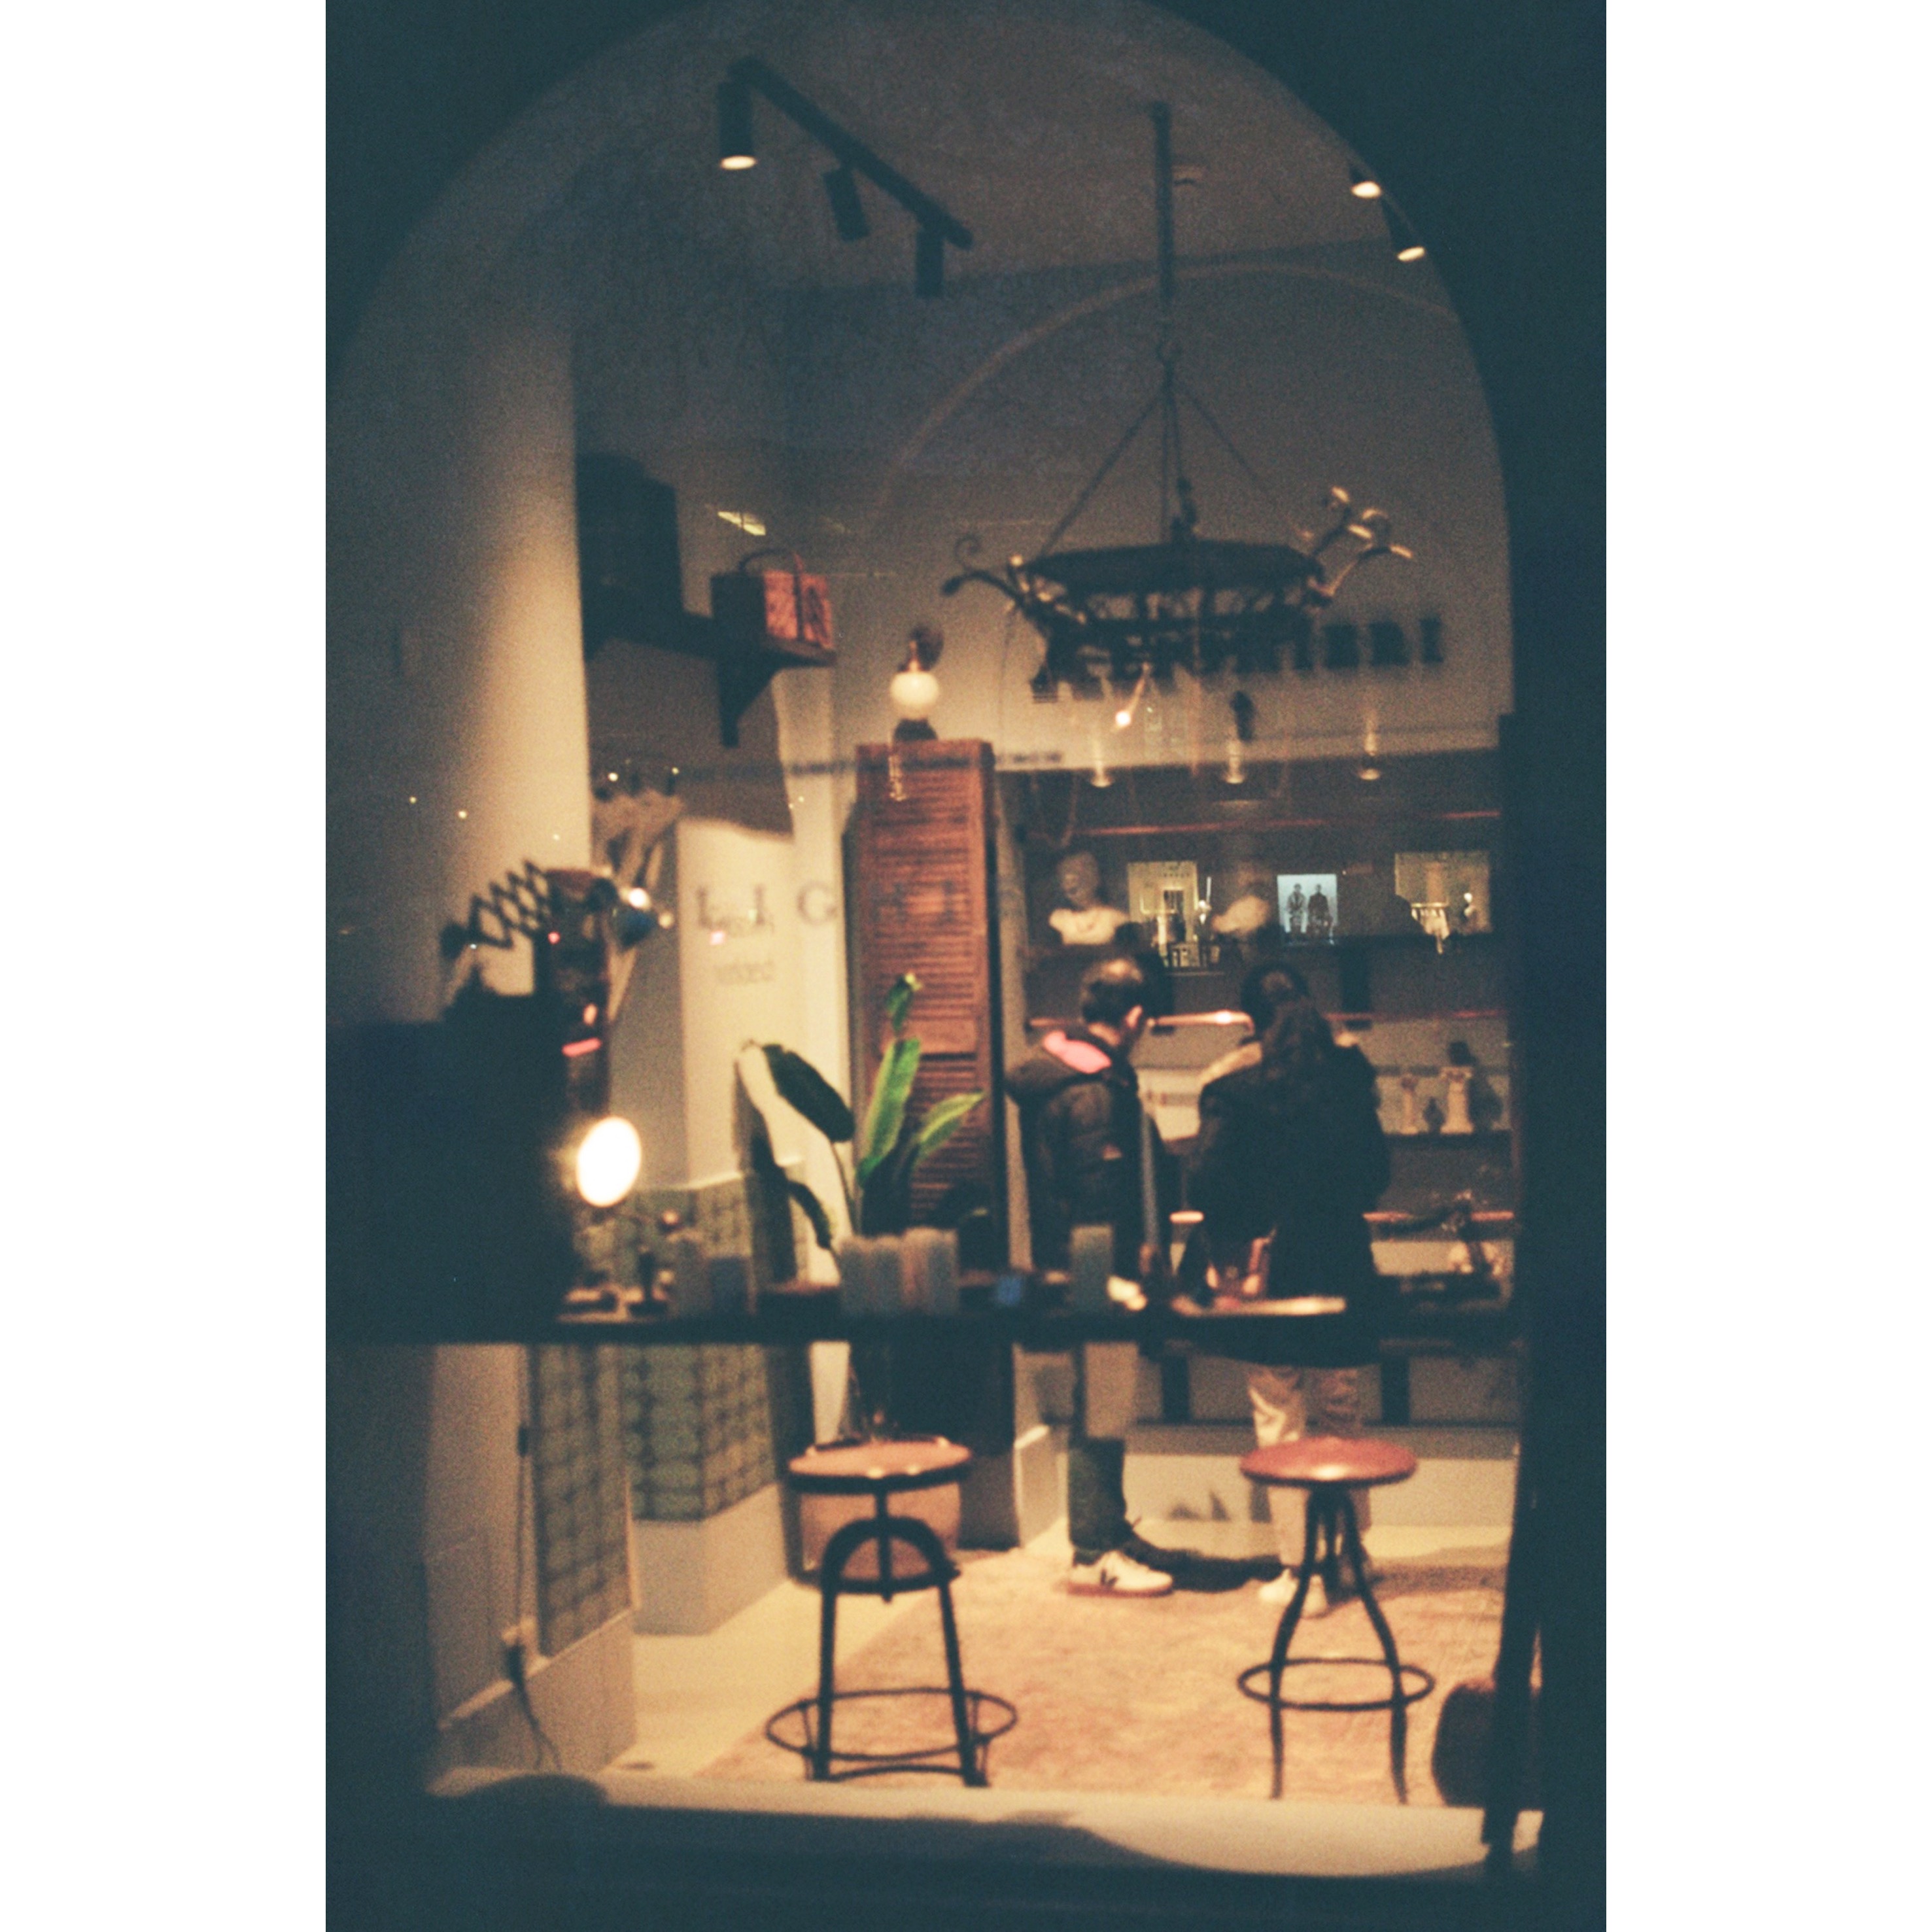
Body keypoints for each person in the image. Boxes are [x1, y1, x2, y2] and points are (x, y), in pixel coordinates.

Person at [1188, 961, 1391, 1611]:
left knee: (1279, 1413)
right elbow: (1375, 1173)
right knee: (1340, 1404)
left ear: (1249, 1019)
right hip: (1340, 1261)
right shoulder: (1348, 1071)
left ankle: (1301, 1567)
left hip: (1270, 1271)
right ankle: (1353, 1552)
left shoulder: (1230, 1081)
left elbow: (1208, 1183)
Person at [1007, 956, 1173, 1596]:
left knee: (1101, 1403)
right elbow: (1100, 1188)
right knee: (1101, 1410)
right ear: (1134, 1017)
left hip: (1074, 1263)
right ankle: (1092, 1553)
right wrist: (1126, 1267)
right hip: (1099, 1272)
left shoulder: (1060, 1074)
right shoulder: (1093, 1089)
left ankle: (1107, 1529)